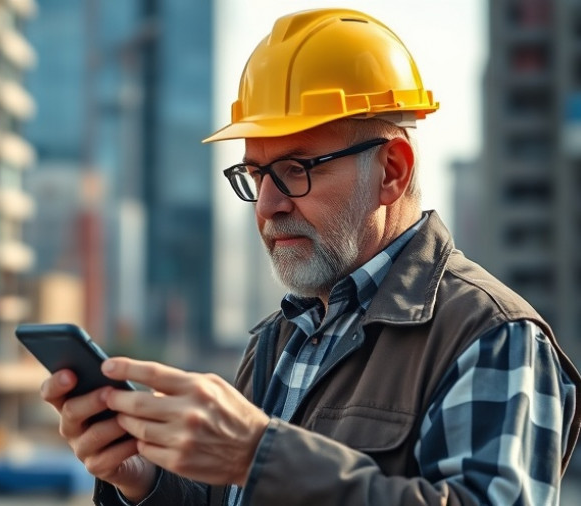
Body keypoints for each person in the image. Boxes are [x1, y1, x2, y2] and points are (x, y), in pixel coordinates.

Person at [40, 8, 581, 505]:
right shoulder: (280, 338)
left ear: (392, 170)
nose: (269, 205)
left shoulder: (490, 336)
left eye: (296, 168)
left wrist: (260, 456)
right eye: (255, 174)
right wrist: (147, 482)